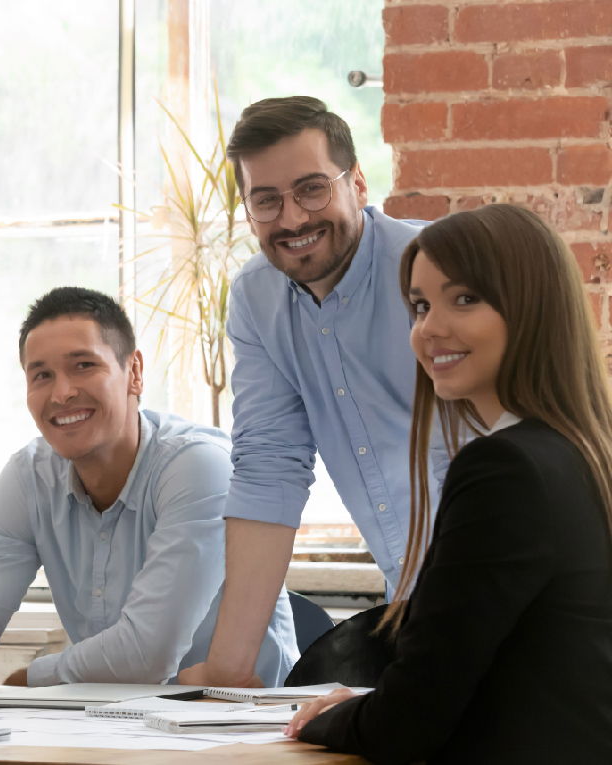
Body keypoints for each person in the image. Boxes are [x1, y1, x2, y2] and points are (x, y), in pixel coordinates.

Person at [285, 205, 612, 762]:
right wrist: (370, 703)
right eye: (419, 305)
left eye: (464, 299)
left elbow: (410, 719)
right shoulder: (581, 454)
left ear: (531, 307)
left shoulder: (506, 470)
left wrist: (331, 721)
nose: (429, 328)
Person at [178, 96, 449, 689]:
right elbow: (269, 470)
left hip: (509, 593)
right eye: (266, 200)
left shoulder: (435, 269)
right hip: (411, 607)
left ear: (357, 182)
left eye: (312, 189)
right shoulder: (255, 301)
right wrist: (228, 671)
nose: (293, 218)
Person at [0, 288, 298, 691]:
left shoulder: (199, 466)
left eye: (83, 365)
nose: (61, 392)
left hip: (244, 722)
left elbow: (147, 652)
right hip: (115, 724)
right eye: (41, 375)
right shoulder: (28, 478)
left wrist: (28, 678)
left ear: (134, 372)